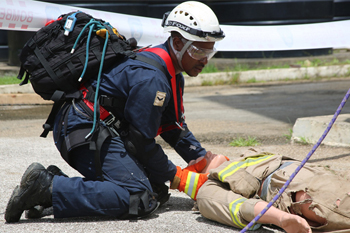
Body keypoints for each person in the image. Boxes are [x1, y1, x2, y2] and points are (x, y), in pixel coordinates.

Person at [5, 1, 225, 223]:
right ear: (177, 42)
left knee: (156, 188)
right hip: (81, 128)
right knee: (139, 197)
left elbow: (172, 127)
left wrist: (199, 157)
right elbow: (140, 142)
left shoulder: (171, 73)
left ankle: (56, 184)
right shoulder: (152, 78)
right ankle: (45, 189)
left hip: (92, 127)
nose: (205, 60)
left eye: (210, 52)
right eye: (198, 51)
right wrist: (179, 177)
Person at [193, 148, 350, 233]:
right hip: (302, 190)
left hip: (326, 174)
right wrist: (281, 219)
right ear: (195, 176)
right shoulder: (207, 190)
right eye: (194, 163)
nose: (206, 153)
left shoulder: (245, 156)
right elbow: (243, 207)